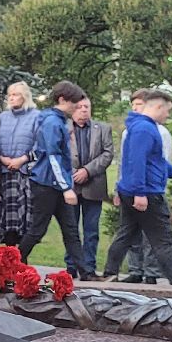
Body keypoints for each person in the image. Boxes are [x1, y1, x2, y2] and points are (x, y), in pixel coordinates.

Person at [102, 90, 172, 287]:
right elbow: (137, 162)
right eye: (167, 111)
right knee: (162, 238)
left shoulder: (142, 127)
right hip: (148, 193)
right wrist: (140, 193)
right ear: (158, 107)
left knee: (126, 233)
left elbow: (157, 161)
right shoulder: (144, 129)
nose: (167, 116)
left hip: (133, 190)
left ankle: (110, 271)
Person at [16, 81, 87, 274]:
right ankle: (14, 262)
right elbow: (53, 156)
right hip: (47, 185)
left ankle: (85, 272)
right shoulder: (52, 122)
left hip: (53, 184)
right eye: (74, 103)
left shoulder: (56, 120)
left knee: (71, 230)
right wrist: (66, 187)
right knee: (38, 229)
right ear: (62, 100)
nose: (76, 107)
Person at [105, 94, 171, 283]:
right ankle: (133, 270)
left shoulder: (157, 131)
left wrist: (171, 177)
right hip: (135, 189)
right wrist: (122, 188)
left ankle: (150, 272)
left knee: (147, 235)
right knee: (130, 233)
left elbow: (160, 162)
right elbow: (129, 163)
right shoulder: (135, 130)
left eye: (139, 105)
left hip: (149, 189)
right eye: (133, 105)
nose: (135, 108)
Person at [64, 96, 114, 278]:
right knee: (71, 229)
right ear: (73, 109)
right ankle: (71, 266)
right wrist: (73, 173)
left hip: (94, 186)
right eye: (80, 107)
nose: (84, 110)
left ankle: (89, 267)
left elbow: (108, 154)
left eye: (87, 106)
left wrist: (87, 170)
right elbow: (57, 153)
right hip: (71, 186)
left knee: (91, 230)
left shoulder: (103, 128)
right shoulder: (64, 128)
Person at [0, 82, 37, 246]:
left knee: (24, 220)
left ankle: (22, 258)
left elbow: (40, 145)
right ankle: (9, 255)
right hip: (5, 175)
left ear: (25, 96)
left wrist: (22, 159)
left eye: (16, 94)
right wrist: (3, 159)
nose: (11, 98)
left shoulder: (36, 117)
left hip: (25, 175)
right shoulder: (3, 117)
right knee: (7, 220)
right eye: (9, 94)